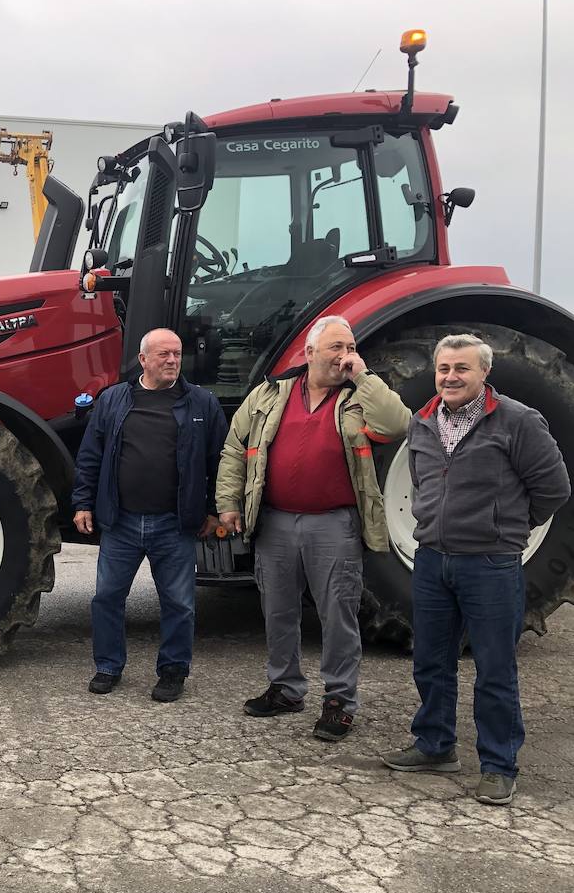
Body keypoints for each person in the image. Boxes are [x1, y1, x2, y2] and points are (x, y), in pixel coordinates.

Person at [381, 334, 569, 805]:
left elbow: (553, 488)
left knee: (494, 667)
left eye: (462, 369)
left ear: (485, 372)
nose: (450, 377)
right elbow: (424, 482)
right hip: (432, 559)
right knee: (431, 659)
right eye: (444, 368)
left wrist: (508, 528)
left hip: (490, 564)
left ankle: (498, 764)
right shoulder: (423, 422)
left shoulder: (518, 421)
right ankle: (434, 745)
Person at [216, 315, 410, 740]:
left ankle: (339, 700)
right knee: (278, 610)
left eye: (351, 347)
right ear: (309, 353)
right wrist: (229, 503)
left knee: (338, 614)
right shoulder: (269, 394)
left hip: (334, 525)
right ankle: (285, 688)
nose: (345, 356)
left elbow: (398, 424)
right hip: (276, 522)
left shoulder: (359, 396)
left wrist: (363, 373)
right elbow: (235, 447)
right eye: (336, 348)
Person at [71, 328, 227, 701]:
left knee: (178, 601)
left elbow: (219, 461)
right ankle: (108, 666)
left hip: (174, 524)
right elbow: (90, 456)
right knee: (107, 597)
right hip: (121, 521)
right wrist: (82, 503)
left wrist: (214, 510)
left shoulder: (202, 404)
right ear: (143, 360)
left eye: (176, 354)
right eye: (164, 355)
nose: (173, 361)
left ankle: (173, 671)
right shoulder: (113, 400)